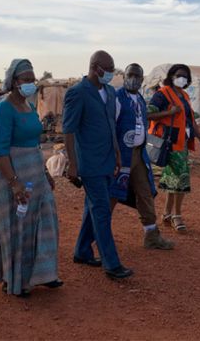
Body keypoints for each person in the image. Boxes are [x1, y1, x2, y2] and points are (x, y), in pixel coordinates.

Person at [0, 59, 61, 297]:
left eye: (33, 79)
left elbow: (35, 144)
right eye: (26, 79)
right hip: (11, 173)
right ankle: (16, 279)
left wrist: (46, 172)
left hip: (35, 173)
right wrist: (14, 182)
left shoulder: (29, 106)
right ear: (14, 82)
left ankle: (44, 273)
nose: (31, 83)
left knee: (45, 220)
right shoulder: (4, 109)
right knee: (17, 226)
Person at [64, 50, 133, 280]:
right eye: (108, 69)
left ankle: (82, 251)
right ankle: (111, 264)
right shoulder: (77, 93)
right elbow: (69, 130)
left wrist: (116, 151)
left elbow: (111, 124)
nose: (111, 73)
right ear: (95, 67)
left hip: (107, 159)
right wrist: (72, 164)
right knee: (102, 209)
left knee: (92, 207)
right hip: (89, 162)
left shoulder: (110, 92)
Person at [111, 64, 174, 250]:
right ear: (124, 76)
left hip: (139, 153)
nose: (134, 79)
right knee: (113, 194)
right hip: (121, 154)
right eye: (130, 75)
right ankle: (97, 234)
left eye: (137, 76)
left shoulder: (139, 98)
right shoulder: (117, 98)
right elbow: (110, 127)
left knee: (145, 192)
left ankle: (151, 234)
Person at [148, 64, 200, 233]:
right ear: (172, 76)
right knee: (181, 178)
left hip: (182, 143)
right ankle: (177, 216)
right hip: (170, 142)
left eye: (186, 77)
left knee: (173, 179)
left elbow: (191, 121)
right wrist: (168, 113)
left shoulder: (185, 95)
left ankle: (167, 213)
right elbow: (148, 114)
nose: (183, 79)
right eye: (180, 75)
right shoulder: (162, 94)